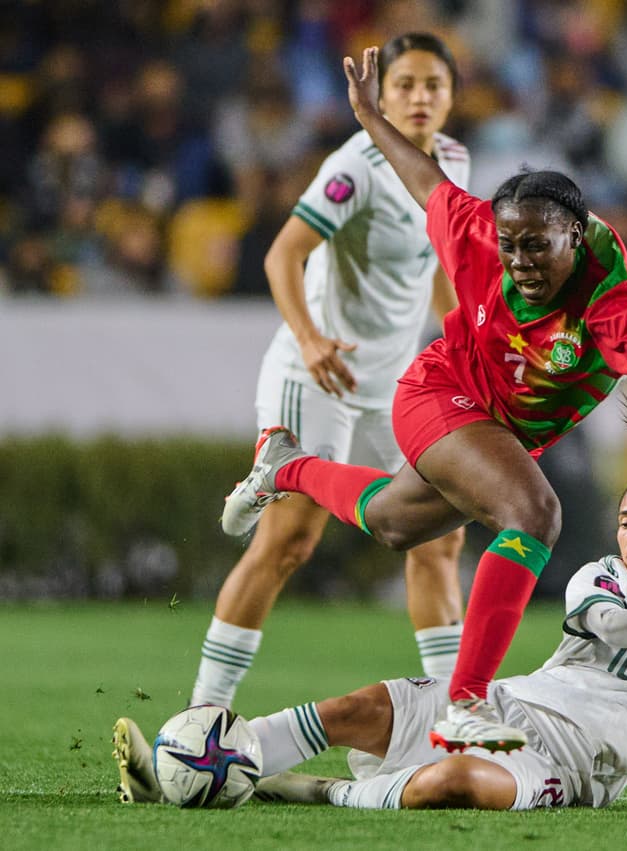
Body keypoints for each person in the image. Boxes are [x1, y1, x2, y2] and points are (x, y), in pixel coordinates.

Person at [113, 380, 627, 812]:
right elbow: (618, 621)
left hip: (572, 764)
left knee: (458, 785)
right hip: (510, 704)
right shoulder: (599, 581)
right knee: (357, 706)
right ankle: (198, 763)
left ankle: (309, 790)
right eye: (625, 519)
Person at [216, 46, 627, 754]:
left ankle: (284, 465)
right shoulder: (481, 230)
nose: (520, 262)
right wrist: (369, 117)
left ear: (574, 233)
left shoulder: (606, 292)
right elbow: (423, 177)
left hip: (496, 428)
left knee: (392, 522)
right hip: (439, 393)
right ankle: (465, 702)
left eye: (536, 246)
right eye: (511, 246)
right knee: (534, 513)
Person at [190, 33, 471, 711]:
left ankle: (458, 710)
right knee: (290, 539)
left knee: (441, 531)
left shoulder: (455, 162)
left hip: (390, 384)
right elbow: (283, 256)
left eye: (434, 85)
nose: (419, 98)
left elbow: (437, 267)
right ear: (383, 92)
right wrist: (311, 339)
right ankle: (203, 712)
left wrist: (467, 339)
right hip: (317, 374)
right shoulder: (358, 164)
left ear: (453, 95)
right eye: (404, 84)